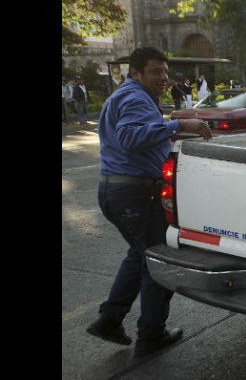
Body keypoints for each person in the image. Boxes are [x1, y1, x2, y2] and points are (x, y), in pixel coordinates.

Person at [86, 47, 212, 357]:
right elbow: (130, 137)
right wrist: (178, 126)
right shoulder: (134, 98)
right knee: (159, 259)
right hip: (134, 194)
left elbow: (138, 139)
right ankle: (151, 333)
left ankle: (109, 318)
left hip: (121, 192)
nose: (163, 78)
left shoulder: (128, 96)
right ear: (136, 73)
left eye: (165, 73)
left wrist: (176, 135)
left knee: (140, 254)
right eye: (155, 72)